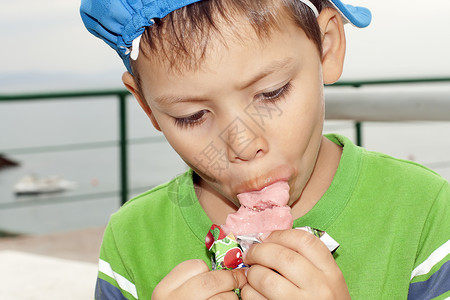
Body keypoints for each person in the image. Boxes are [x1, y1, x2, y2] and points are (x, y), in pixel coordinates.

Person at [80, 0, 450, 299]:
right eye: (192, 116)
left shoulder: (425, 213)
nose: (242, 144)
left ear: (328, 49)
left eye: (270, 93)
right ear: (147, 107)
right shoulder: (131, 241)